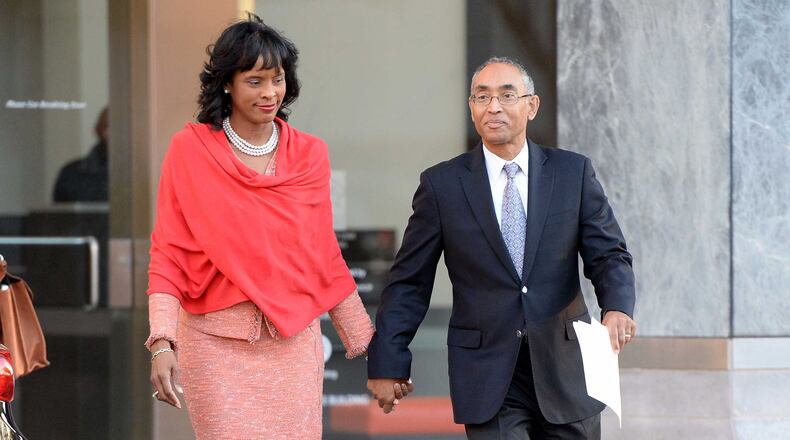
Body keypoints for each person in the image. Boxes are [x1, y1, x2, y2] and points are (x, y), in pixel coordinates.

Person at [367, 57, 637, 439]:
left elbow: (608, 254)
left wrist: (617, 307)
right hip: (488, 375)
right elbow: (409, 281)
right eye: (482, 97)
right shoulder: (442, 185)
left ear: (532, 106)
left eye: (507, 95)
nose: (493, 106)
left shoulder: (572, 173)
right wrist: (388, 361)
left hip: (566, 368)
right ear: (472, 108)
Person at [145, 15, 387, 439]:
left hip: (293, 346)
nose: (270, 92)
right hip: (215, 346)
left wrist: (373, 347)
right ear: (227, 83)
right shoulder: (190, 151)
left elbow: (323, 255)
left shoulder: (310, 154)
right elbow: (169, 252)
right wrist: (162, 342)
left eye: (277, 79)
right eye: (255, 81)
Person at [53, 106, 109, 202]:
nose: (108, 133)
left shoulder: (135, 172)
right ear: (97, 129)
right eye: (107, 126)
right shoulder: (70, 173)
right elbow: (61, 209)